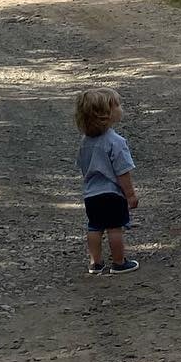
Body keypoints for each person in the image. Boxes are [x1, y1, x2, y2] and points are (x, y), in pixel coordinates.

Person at [75, 87, 139, 276]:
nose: (121, 108)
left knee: (94, 227)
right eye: (117, 105)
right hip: (112, 193)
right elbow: (122, 172)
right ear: (106, 115)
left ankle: (95, 263)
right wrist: (130, 195)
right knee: (114, 228)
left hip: (91, 194)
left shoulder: (85, 141)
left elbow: (83, 166)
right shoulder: (116, 142)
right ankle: (119, 262)